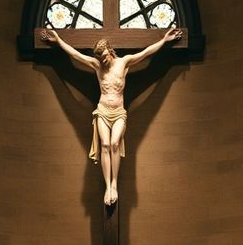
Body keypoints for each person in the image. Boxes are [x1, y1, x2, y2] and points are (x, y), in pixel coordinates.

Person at [42, 27, 183, 206]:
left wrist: (164, 41)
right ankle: (108, 186)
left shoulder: (123, 63)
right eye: (101, 58)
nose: (104, 61)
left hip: (118, 112)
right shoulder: (97, 65)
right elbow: (75, 55)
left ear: (110, 50)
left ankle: (114, 183)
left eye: (105, 56)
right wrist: (58, 40)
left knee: (115, 143)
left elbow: (146, 53)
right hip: (102, 110)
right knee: (105, 145)